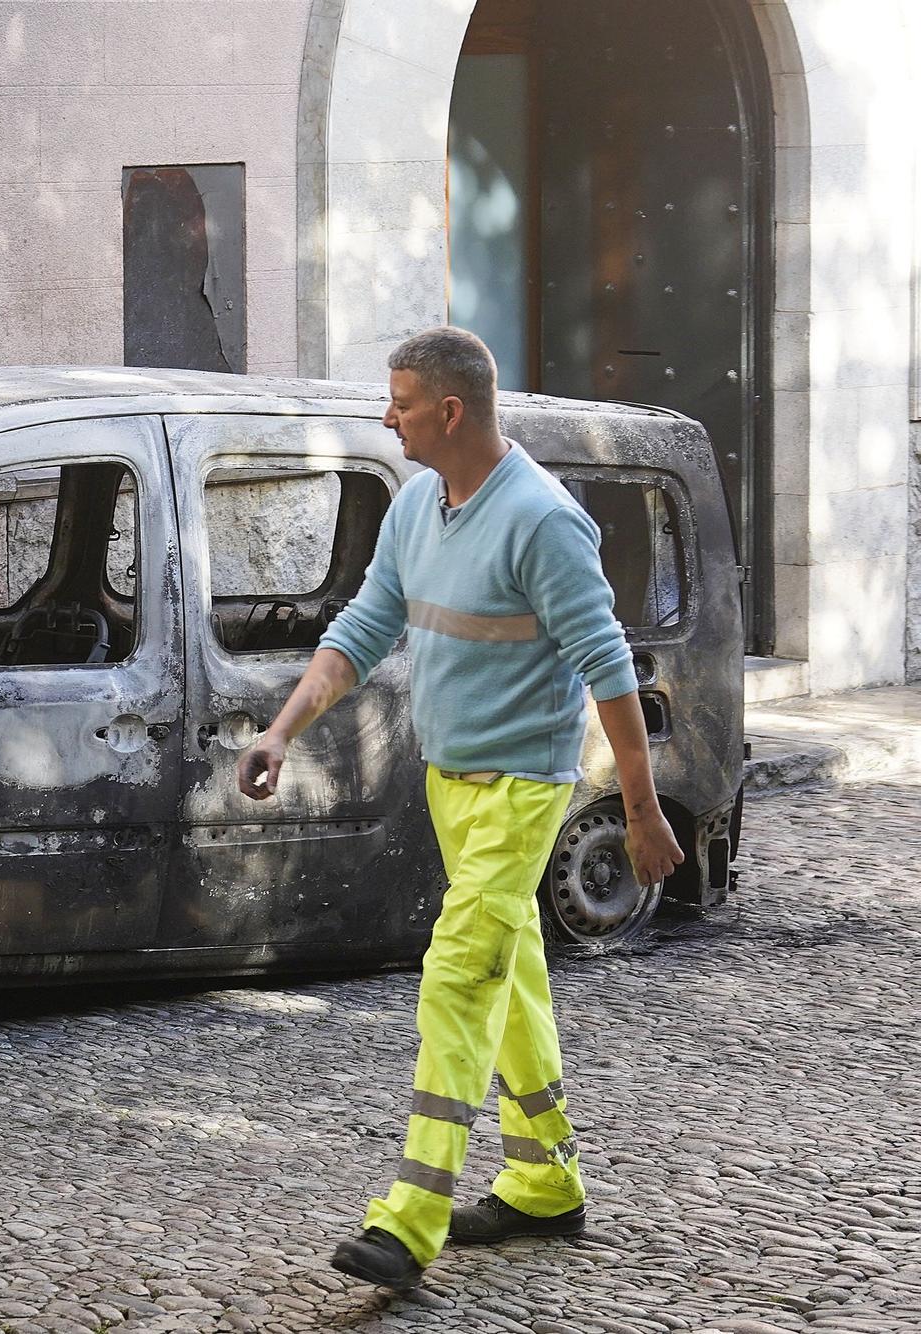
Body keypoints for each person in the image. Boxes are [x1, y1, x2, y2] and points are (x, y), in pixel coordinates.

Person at [235, 326, 684, 1290]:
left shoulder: (542, 521)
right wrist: (282, 730)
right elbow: (360, 631)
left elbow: (610, 669)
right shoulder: (415, 507)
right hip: (452, 785)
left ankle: (409, 1219)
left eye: (397, 400)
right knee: (509, 976)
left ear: (448, 411)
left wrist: (643, 810)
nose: (384, 414)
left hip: (523, 790)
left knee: (457, 975)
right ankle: (543, 1181)